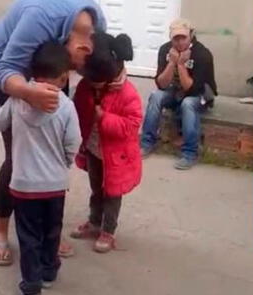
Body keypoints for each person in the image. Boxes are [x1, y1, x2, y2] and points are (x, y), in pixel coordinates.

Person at [0, 0, 108, 265]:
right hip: (7, 67)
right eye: (75, 70)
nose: (73, 77)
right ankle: (0, 228)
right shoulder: (40, 19)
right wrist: (28, 93)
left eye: (71, 75)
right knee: (17, 155)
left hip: (49, 69)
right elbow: (5, 70)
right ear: (79, 47)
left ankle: (48, 232)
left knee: (50, 154)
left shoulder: (96, 28)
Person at [0, 42, 81, 295]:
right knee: (52, 230)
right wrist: (62, 164)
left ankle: (31, 290)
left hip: (24, 187)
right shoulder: (66, 106)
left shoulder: (18, 100)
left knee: (28, 237)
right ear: (64, 76)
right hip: (54, 185)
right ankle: (49, 272)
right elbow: (73, 142)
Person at [71, 32, 143, 253]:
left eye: (96, 81)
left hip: (116, 156)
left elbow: (132, 125)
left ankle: (108, 231)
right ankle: (94, 222)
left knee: (112, 193)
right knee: (96, 189)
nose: (92, 84)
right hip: (93, 149)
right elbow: (76, 111)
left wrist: (105, 119)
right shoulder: (86, 86)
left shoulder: (127, 93)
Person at [140, 18, 218, 170]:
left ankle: (190, 153)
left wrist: (181, 65)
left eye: (183, 37)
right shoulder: (165, 50)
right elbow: (161, 84)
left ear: (191, 35)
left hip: (202, 93)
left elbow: (193, 90)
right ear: (171, 38)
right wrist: (171, 63)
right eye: (176, 38)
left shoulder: (202, 54)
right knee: (155, 96)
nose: (180, 42)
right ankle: (147, 143)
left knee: (188, 104)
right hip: (175, 91)